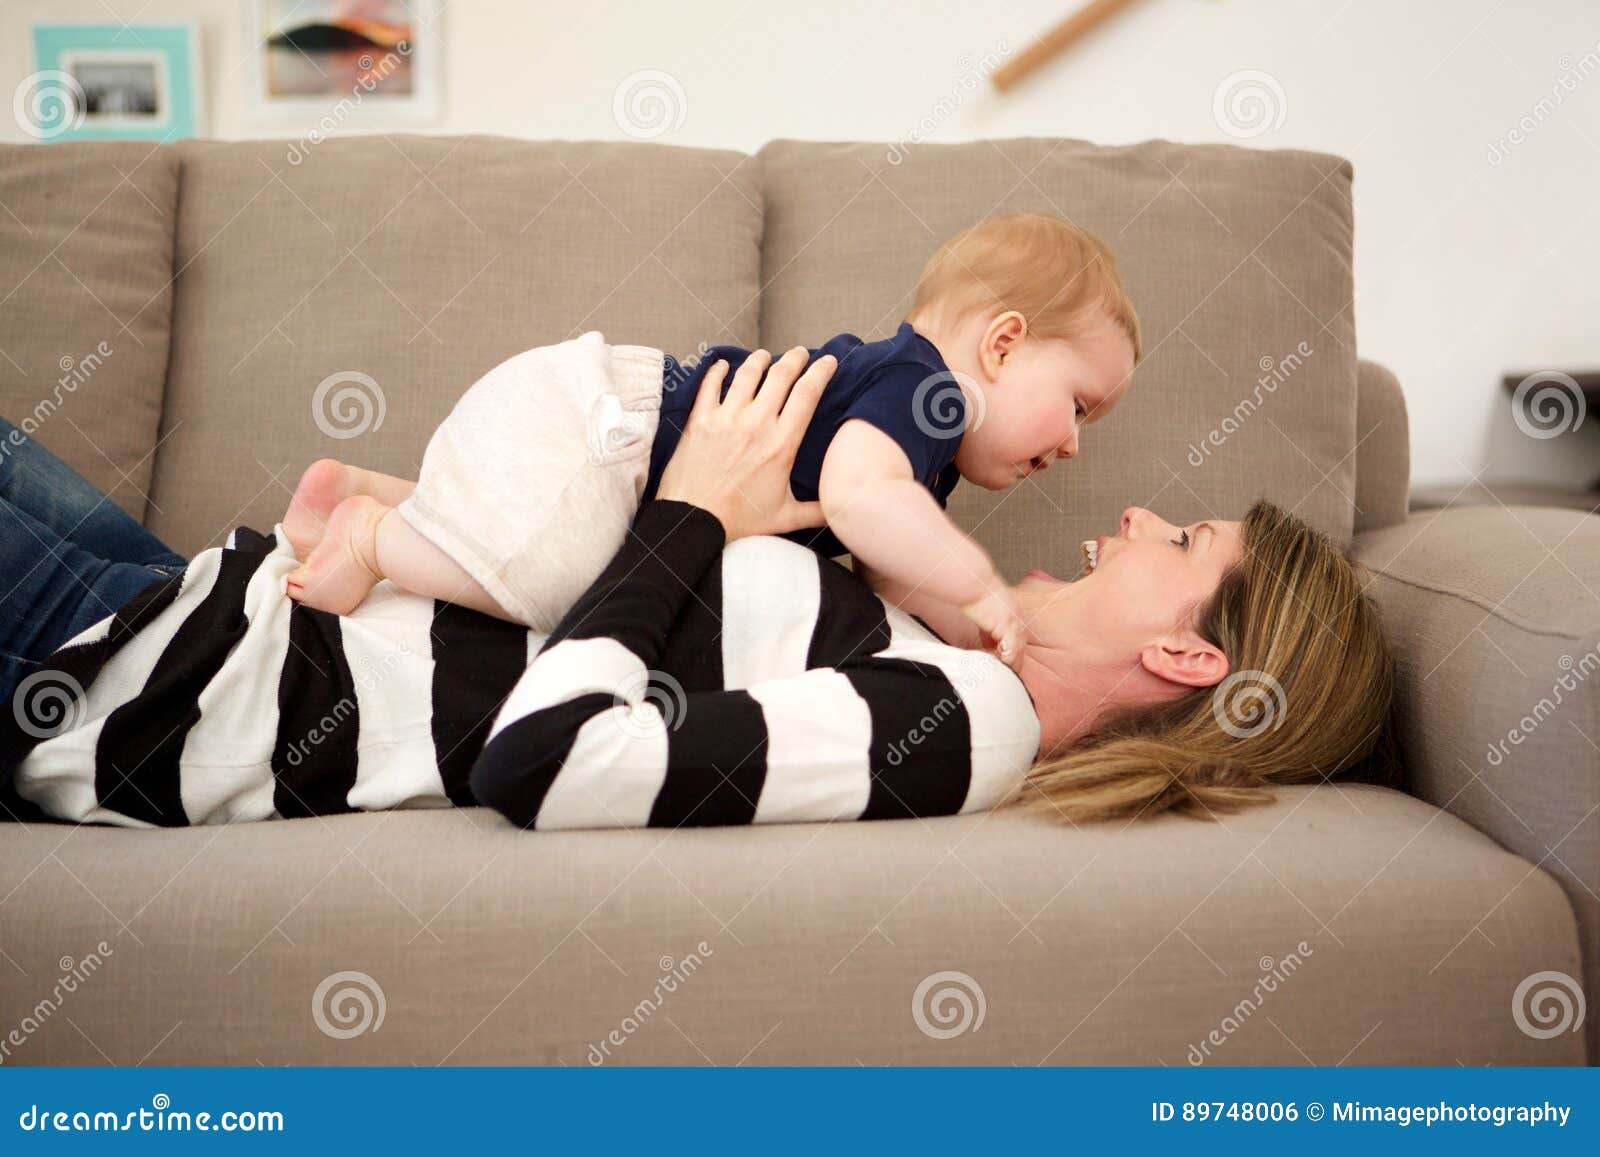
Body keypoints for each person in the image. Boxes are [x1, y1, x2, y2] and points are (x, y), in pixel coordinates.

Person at [0, 349, 1395, 830]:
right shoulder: (946, 637)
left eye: (1182, 538)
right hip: (203, 602)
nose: (1134, 508)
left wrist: (694, 512)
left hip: (165, 686)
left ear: (1191, 657)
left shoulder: (965, 725)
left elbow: (547, 767)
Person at [282, 213, 1142, 669]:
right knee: (559, 586)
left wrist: (978, 635)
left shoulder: (920, 445)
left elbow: (889, 573)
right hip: (601, 420)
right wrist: (978, 581)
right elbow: (857, 499)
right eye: (1079, 405)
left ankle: (380, 489)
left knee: (581, 550)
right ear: (1001, 343)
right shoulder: (927, 393)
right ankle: (372, 532)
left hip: (596, 435)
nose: (1072, 444)